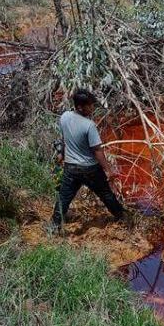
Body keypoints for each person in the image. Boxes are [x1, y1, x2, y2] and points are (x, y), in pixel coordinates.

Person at [50, 89, 125, 232]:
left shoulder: (65, 117)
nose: (92, 108)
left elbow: (65, 138)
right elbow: (97, 151)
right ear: (79, 107)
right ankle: (122, 216)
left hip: (71, 168)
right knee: (106, 194)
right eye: (89, 106)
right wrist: (109, 171)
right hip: (90, 169)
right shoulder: (89, 125)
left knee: (64, 198)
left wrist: (62, 155)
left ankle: (54, 226)